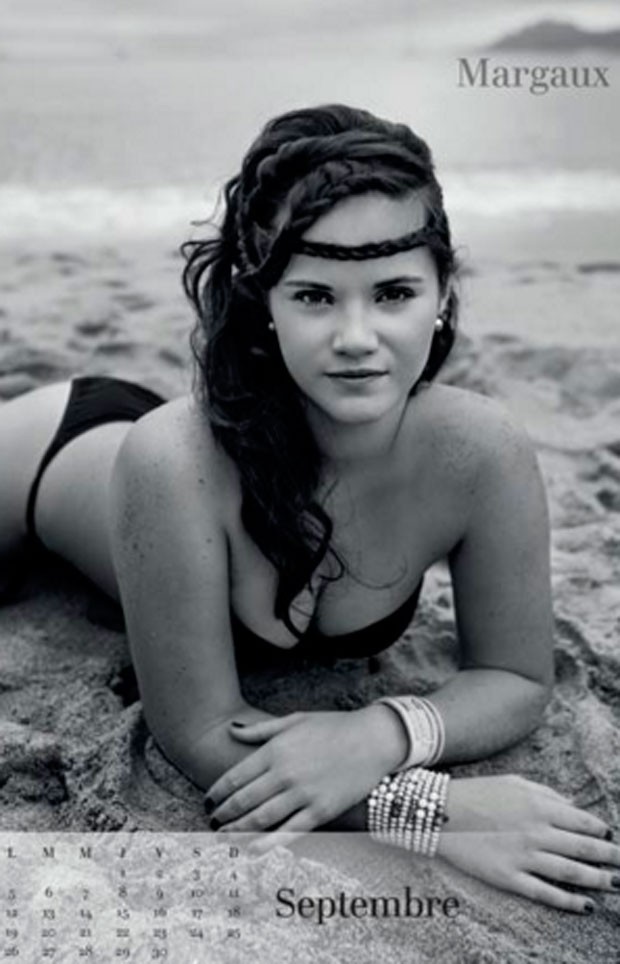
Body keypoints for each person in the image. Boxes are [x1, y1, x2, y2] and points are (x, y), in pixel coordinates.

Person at [0, 104, 617, 913]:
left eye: (393, 292)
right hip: (50, 452)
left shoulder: (481, 451)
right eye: (316, 296)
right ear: (267, 301)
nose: (356, 337)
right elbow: (197, 734)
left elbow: (516, 675)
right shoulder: (170, 461)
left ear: (441, 293)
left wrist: (382, 733)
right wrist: (430, 812)